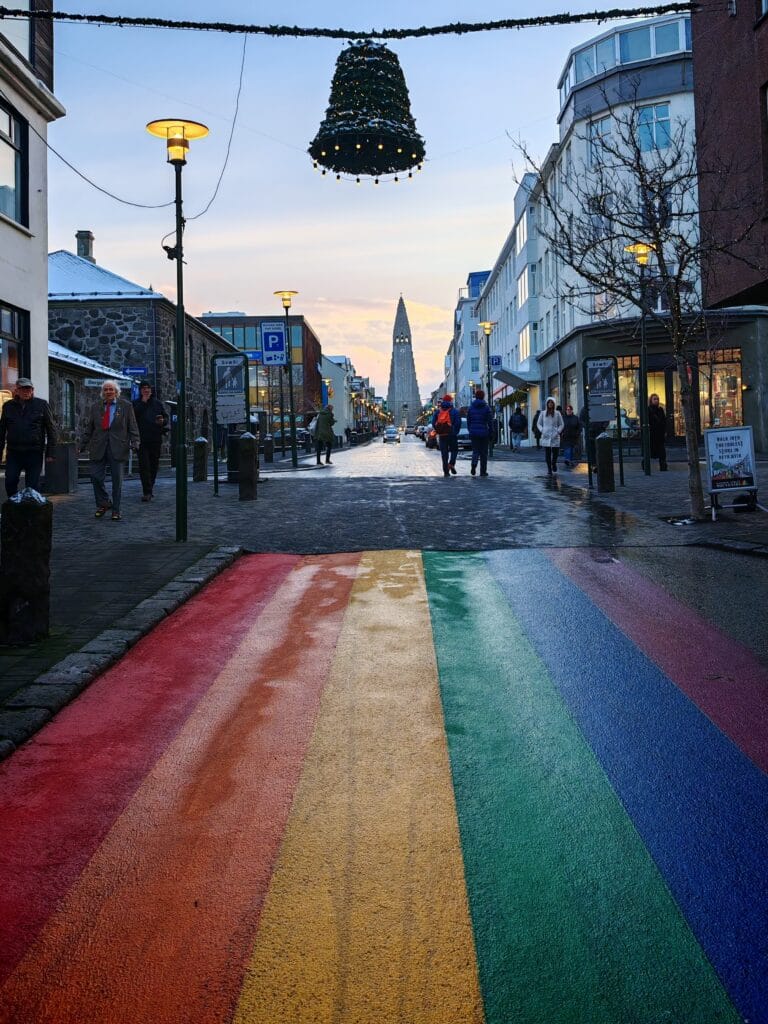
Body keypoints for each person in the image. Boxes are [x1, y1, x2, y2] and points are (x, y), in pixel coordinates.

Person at [81, 379, 139, 520]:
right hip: (98, 447)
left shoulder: (126, 406)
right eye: (106, 389)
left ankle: (116, 510)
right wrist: (82, 445)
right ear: (102, 392)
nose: (108, 392)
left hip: (118, 447)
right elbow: (90, 428)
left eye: (111, 389)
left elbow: (132, 426)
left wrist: (135, 442)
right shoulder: (96, 407)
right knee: (95, 477)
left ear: (116, 392)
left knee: (117, 481)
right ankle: (104, 503)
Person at [0, 377, 57, 498]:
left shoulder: (42, 405)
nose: (26, 392)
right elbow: (1, 430)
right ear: (17, 391)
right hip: (14, 452)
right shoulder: (8, 406)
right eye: (23, 389)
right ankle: (14, 506)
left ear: (32, 390)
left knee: (32, 486)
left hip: (34, 452)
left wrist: (50, 453)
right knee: (10, 481)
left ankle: (31, 512)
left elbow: (51, 429)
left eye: (29, 389)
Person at [132, 381, 168, 501]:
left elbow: (165, 417)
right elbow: (133, 417)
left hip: (155, 438)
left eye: (148, 388)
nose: (146, 390)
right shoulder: (136, 403)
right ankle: (146, 491)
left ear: (151, 390)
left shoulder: (157, 404)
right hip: (141, 440)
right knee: (144, 466)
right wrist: (143, 402)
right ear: (140, 390)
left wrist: (163, 421)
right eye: (143, 388)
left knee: (153, 465)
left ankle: (150, 487)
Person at [431, 393, 461, 476]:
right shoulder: (454, 411)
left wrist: (438, 430)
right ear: (451, 401)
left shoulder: (438, 411)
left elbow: (433, 423)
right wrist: (455, 431)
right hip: (452, 435)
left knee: (444, 453)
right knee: (454, 450)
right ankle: (451, 464)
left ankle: (446, 472)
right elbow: (458, 423)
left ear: (443, 401)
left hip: (442, 435)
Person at [466, 388, 494, 477]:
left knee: (475, 451)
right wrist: (491, 431)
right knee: (483, 453)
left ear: (476, 396)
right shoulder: (486, 407)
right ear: (483, 396)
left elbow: (468, 420)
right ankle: (483, 471)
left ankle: (473, 466)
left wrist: (470, 430)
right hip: (484, 433)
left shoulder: (471, 408)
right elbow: (490, 421)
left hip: (474, 433)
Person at [539, 396, 564, 476]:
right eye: (549, 403)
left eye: (552, 403)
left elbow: (561, 424)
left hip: (555, 435)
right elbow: (538, 423)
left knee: (555, 452)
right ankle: (549, 469)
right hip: (546, 435)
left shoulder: (557, 413)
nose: (550, 404)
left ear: (554, 404)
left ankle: (554, 463)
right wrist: (542, 430)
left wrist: (558, 431)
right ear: (547, 404)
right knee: (547, 453)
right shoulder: (543, 413)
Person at [648, 393, 668, 471]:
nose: (656, 401)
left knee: (662, 451)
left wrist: (664, 431)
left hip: (660, 435)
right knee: (651, 451)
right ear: (651, 400)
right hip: (652, 435)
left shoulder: (660, 410)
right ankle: (646, 465)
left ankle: (663, 466)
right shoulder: (648, 410)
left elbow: (663, 421)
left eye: (657, 399)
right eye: (654, 399)